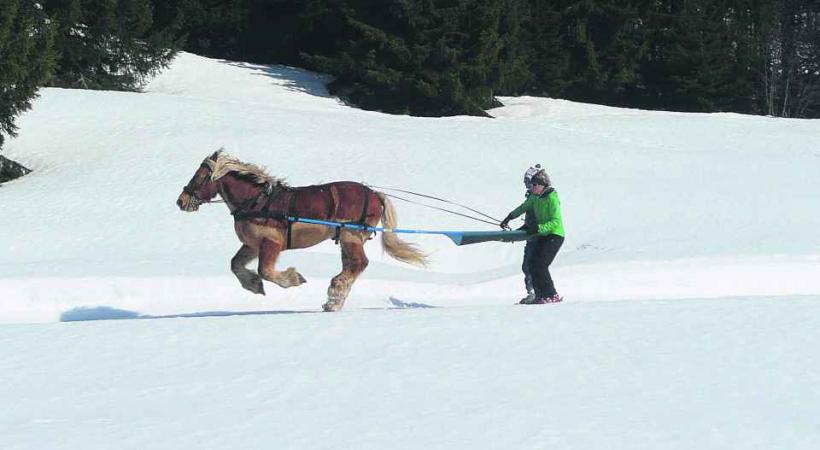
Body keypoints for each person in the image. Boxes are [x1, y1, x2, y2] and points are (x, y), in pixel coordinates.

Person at [500, 169, 564, 304]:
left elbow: (556, 222)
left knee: (541, 265)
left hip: (555, 235)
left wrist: (539, 228)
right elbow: (523, 207)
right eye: (532, 185)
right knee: (532, 265)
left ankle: (552, 295)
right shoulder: (534, 198)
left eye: (535, 185)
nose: (532, 187)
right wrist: (509, 217)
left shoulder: (552, 198)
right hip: (542, 235)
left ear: (542, 185)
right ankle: (540, 296)